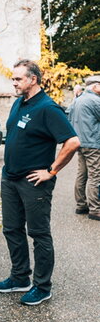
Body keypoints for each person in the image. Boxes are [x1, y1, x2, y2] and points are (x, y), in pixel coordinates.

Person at [0, 59, 80, 306]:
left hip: (33, 183)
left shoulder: (48, 108)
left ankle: (42, 287)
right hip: (10, 178)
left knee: (39, 233)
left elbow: (72, 142)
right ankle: (19, 277)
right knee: (11, 229)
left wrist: (51, 171)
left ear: (33, 79)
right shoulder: (19, 103)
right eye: (13, 78)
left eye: (18, 79)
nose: (14, 82)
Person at [68, 75, 100, 221]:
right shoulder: (95, 100)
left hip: (80, 143)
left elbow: (68, 118)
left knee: (82, 174)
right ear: (95, 86)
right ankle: (95, 210)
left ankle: (81, 205)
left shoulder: (77, 100)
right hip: (93, 144)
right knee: (95, 176)